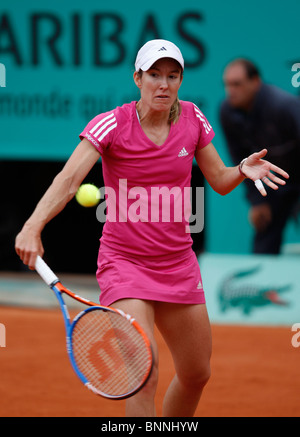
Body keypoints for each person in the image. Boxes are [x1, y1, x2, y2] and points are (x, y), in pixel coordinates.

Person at [15, 40, 289, 417]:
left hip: (178, 264)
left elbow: (220, 181)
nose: (164, 84)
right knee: (145, 369)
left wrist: (241, 170)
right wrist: (32, 227)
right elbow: (68, 180)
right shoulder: (111, 124)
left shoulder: (193, 118)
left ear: (180, 80)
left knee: (196, 373)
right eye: (155, 75)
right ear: (138, 78)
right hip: (125, 263)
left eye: (172, 76)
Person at [220, 58, 300, 254]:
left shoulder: (284, 106)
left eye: (237, 84)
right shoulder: (227, 112)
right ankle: (263, 285)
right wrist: (257, 201)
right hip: (273, 184)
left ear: (255, 82)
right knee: (263, 241)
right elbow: (241, 161)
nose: (231, 90)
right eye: (227, 84)